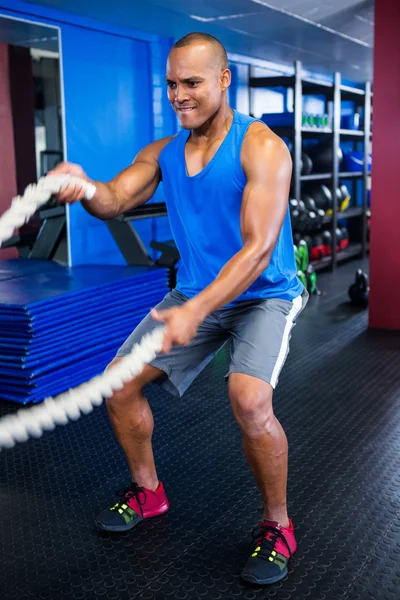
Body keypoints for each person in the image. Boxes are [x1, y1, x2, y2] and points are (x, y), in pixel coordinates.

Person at [52, 32, 308, 586]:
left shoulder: (260, 146)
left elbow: (258, 247)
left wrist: (199, 310)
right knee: (118, 386)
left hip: (264, 295)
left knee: (249, 399)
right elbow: (115, 199)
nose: (178, 95)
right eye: (170, 83)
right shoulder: (165, 152)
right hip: (195, 295)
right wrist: (82, 187)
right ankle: (148, 493)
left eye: (190, 82)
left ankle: (278, 525)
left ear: (223, 80)